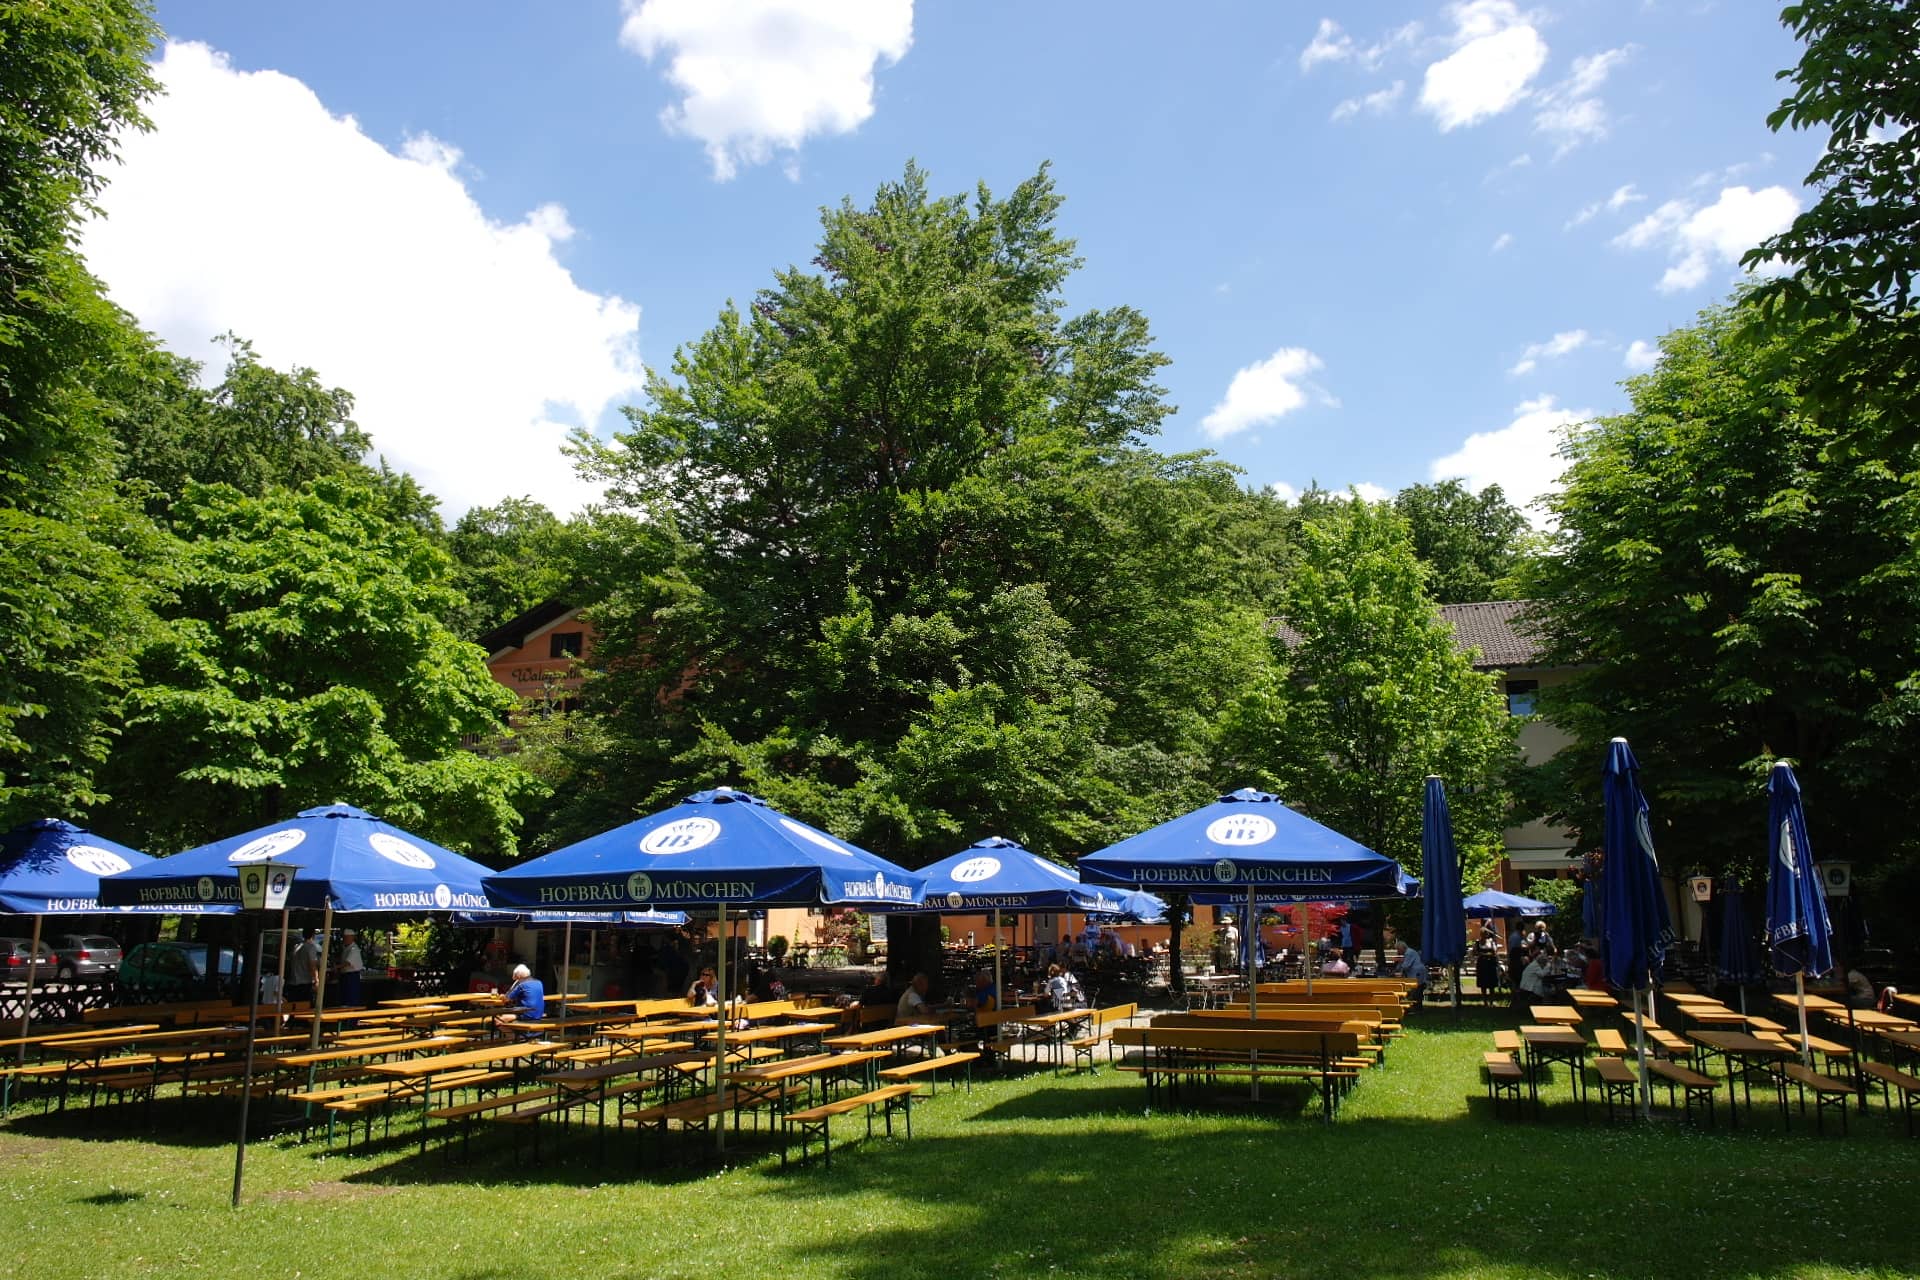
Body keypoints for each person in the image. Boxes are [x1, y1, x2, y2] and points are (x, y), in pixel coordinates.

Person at [494, 963, 547, 1035]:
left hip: (526, 1015)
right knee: (508, 1016)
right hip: (538, 1014)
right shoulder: (539, 982)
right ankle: (517, 1037)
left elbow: (506, 999)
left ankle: (513, 1038)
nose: (514, 978)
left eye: (515, 976)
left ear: (518, 976)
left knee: (498, 1020)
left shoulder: (521, 985)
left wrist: (501, 996)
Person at [285, 928, 318, 1004]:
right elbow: (312, 965)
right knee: (304, 1006)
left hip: (293, 981)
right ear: (313, 935)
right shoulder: (311, 947)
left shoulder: (296, 946)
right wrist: (316, 979)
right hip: (304, 983)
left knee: (293, 1006)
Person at [336, 929, 365, 1006]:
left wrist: (336, 967)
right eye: (344, 937)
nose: (345, 939)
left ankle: (352, 1017)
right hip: (345, 976)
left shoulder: (354, 949)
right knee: (345, 998)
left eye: (347, 937)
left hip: (352, 976)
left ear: (352, 937)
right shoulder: (346, 948)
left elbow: (347, 962)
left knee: (351, 998)